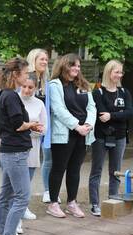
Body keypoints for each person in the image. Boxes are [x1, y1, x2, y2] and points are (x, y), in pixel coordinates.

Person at [0, 57, 41, 235]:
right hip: (15, 153)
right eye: (24, 73)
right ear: (15, 74)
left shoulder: (5, 94)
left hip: (9, 151)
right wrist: (31, 124)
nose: (27, 76)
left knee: (6, 195)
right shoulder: (11, 96)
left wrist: (28, 124)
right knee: (22, 196)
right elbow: (17, 125)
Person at [46, 53, 96, 218]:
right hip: (64, 134)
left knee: (75, 169)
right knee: (59, 168)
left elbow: (92, 107)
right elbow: (59, 110)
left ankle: (72, 203)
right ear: (64, 66)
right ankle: (53, 203)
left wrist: (88, 124)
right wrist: (76, 126)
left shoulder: (83, 85)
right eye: (73, 65)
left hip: (83, 133)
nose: (76, 68)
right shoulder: (55, 84)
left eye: (79, 66)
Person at [88, 60, 132, 216]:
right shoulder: (98, 93)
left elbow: (129, 113)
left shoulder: (124, 92)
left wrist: (112, 115)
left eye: (121, 72)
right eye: (116, 72)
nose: (119, 75)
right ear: (108, 72)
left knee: (116, 171)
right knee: (96, 170)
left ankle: (112, 200)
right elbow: (101, 115)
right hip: (101, 137)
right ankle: (94, 203)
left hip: (119, 137)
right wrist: (118, 115)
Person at [26, 48, 54, 206]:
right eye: (41, 59)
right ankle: (21, 205)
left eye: (46, 59)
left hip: (41, 131)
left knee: (36, 165)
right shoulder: (25, 81)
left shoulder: (46, 83)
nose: (44, 62)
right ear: (33, 60)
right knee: (25, 169)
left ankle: (46, 191)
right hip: (27, 131)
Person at [18, 73, 47, 220]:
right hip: (15, 146)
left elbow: (44, 128)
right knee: (14, 181)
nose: (27, 90)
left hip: (32, 147)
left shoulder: (39, 104)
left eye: (30, 87)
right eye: (24, 86)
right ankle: (13, 207)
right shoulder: (14, 100)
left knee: (27, 180)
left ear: (35, 88)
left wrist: (32, 130)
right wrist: (30, 128)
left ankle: (23, 207)